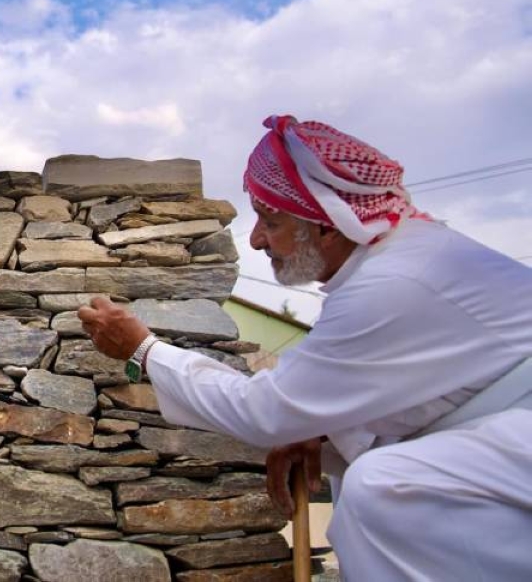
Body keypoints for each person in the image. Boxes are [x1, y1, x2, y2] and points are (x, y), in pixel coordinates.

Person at [78, 115, 532, 580]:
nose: (256, 239)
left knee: (384, 487)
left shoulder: (394, 283)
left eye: (271, 222)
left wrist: (144, 350)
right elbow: (435, 397)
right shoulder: (401, 261)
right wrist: (322, 429)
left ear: (328, 227)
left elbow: (262, 411)